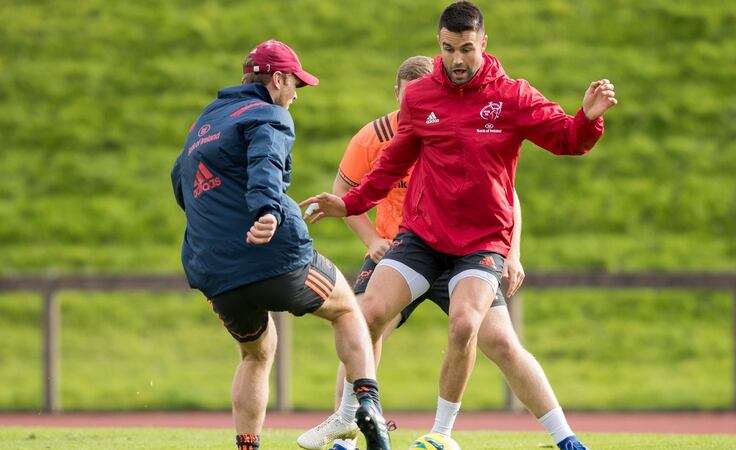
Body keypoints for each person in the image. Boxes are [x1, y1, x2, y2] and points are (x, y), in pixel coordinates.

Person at [301, 2, 617, 450]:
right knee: (365, 313)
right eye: (449, 49)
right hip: (423, 238)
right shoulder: (421, 97)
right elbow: (392, 163)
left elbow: (567, 139)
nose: (458, 60)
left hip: (479, 244)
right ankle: (350, 421)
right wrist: (351, 203)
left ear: (483, 44)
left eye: (467, 49)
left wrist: (587, 117)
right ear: (439, 45)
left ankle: (445, 434)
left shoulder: (513, 96)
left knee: (471, 328)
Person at [170, 39, 391, 450]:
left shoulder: (205, 122)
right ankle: (367, 405)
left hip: (214, 269)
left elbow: (180, 185)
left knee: (256, 353)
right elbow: (266, 166)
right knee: (347, 310)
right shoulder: (269, 114)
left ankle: (247, 446)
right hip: (273, 254)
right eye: (295, 85)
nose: (295, 95)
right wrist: (267, 212)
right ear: (278, 78)